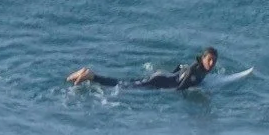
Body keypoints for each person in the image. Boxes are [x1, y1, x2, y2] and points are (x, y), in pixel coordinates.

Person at [67, 47, 221, 91]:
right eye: (209, 60)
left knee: (126, 82)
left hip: (163, 76)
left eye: (214, 61)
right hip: (160, 81)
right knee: (123, 86)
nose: (212, 63)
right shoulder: (195, 71)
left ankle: (86, 74)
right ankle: (91, 75)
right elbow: (181, 88)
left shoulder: (197, 68)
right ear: (202, 59)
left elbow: (181, 66)